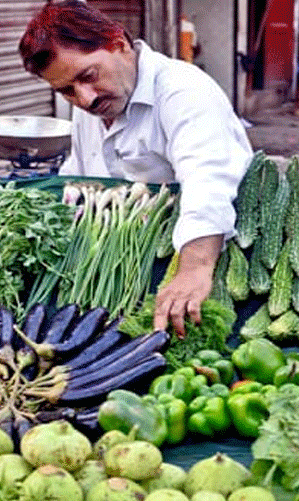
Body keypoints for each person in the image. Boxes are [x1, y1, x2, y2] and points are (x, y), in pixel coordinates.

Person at [19, 1, 253, 337]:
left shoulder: (184, 92)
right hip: (132, 263)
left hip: (205, 253)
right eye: (66, 91)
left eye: (88, 76)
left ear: (118, 44)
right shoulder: (93, 106)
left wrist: (194, 268)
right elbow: (81, 179)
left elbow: (209, 184)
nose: (84, 99)